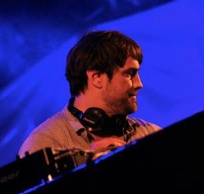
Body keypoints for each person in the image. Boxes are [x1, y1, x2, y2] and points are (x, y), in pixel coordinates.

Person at [18, 30, 161, 160]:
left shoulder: (151, 133)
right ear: (97, 78)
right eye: (129, 73)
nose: (139, 84)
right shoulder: (43, 144)